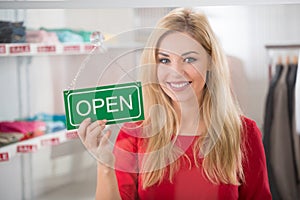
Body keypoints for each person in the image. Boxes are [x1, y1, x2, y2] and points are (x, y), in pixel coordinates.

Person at [78, 7, 272, 200]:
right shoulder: (134, 134)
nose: (176, 72)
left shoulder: (243, 133)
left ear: (211, 61)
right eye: (164, 60)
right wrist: (105, 165)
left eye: (189, 59)